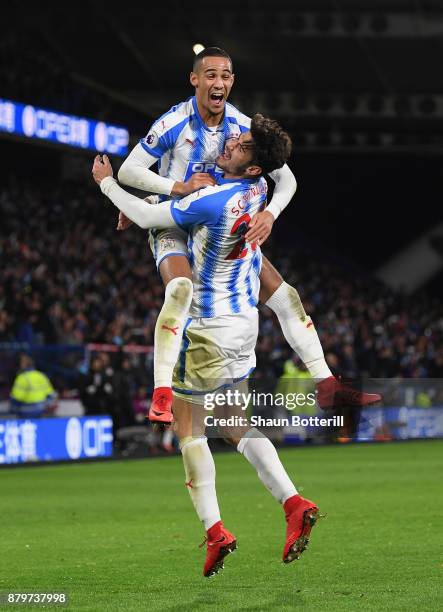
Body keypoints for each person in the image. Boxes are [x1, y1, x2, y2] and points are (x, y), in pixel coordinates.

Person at [93, 114, 324, 578]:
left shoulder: (216, 201)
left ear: (252, 166)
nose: (231, 142)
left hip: (209, 330)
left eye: (239, 146)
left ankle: (216, 530)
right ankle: (294, 502)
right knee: (236, 425)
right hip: (244, 327)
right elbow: (226, 180)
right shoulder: (256, 194)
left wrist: (107, 185)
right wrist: (161, 190)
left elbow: (148, 218)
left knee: (189, 429)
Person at [116, 47, 380, 426]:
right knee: (180, 291)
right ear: (195, 80)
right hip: (174, 219)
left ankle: (326, 384)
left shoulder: (242, 127)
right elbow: (129, 170)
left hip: (217, 226)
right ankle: (161, 393)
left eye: (225, 75)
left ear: (232, 81)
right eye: (210, 75)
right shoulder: (175, 122)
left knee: (286, 295)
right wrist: (174, 187)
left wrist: (270, 214)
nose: (218, 82)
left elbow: (286, 179)